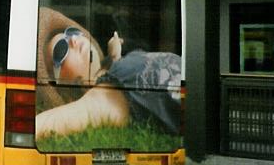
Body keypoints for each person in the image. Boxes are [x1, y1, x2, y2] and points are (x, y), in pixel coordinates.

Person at [35, 14, 182, 139]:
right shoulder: (103, 97)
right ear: (64, 91)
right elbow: (41, 125)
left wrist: (113, 58)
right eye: (61, 48)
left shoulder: (115, 67)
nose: (74, 40)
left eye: (71, 33)